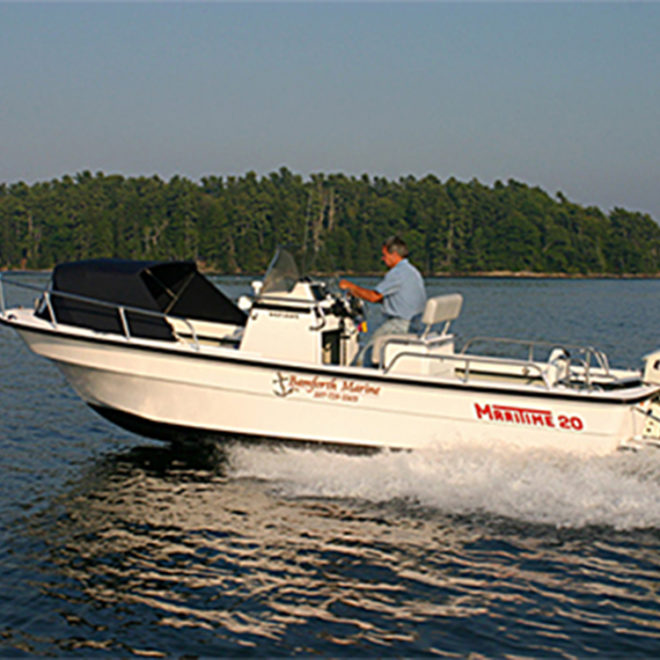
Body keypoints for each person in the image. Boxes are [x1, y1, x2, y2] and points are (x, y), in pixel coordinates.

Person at [339, 235, 427, 366]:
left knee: (363, 357)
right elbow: (396, 299)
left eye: (385, 255)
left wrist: (351, 286)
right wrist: (357, 293)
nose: (383, 258)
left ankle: (358, 378)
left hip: (399, 324)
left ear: (394, 254)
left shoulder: (397, 273)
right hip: (415, 324)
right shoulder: (412, 271)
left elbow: (374, 296)